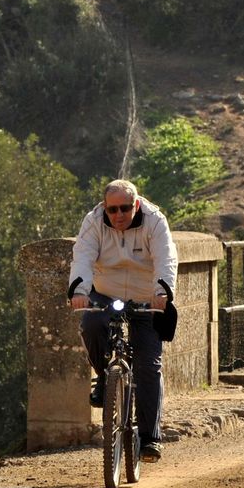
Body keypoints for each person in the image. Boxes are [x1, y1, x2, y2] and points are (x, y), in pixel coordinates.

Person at [67, 179, 178, 463]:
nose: (118, 215)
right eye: (112, 209)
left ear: (136, 205)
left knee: (148, 365)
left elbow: (166, 257)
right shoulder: (93, 222)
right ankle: (104, 378)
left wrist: (162, 292)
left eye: (125, 209)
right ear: (105, 208)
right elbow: (82, 256)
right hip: (106, 292)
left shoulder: (154, 221)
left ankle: (151, 438)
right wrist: (79, 292)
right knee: (90, 325)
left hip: (146, 297)